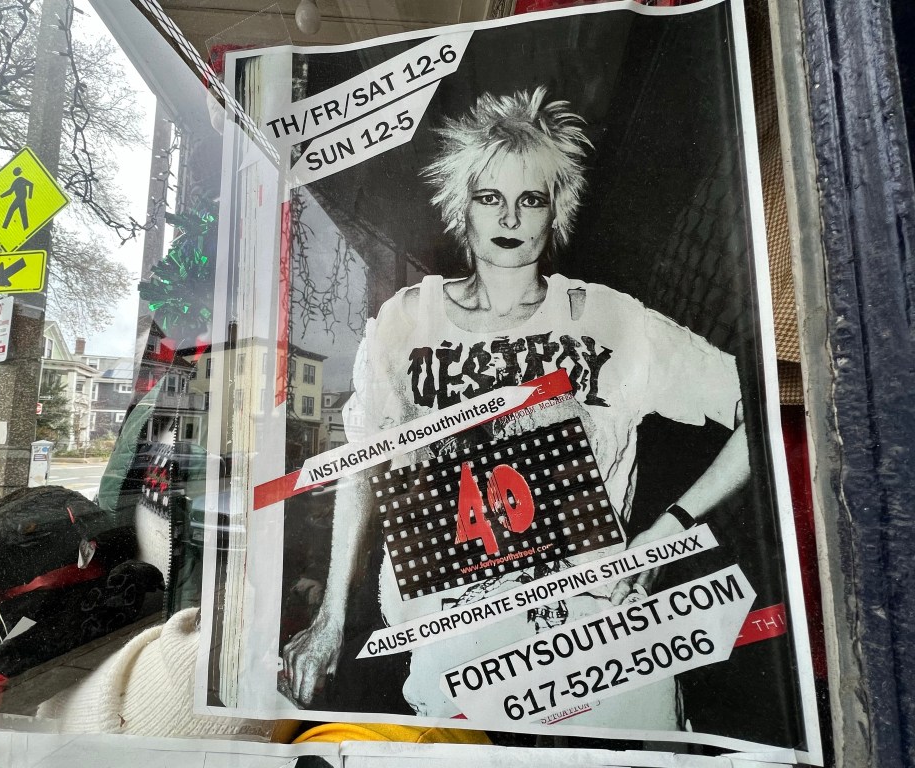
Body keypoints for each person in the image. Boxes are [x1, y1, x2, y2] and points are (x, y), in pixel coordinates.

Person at [283, 87, 749, 725]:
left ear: (557, 211)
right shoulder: (406, 322)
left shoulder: (607, 319)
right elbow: (365, 464)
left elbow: (760, 412)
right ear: (463, 207)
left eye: (531, 199)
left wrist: (668, 530)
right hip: (454, 648)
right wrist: (330, 618)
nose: (509, 218)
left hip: (596, 637)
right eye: (489, 197)